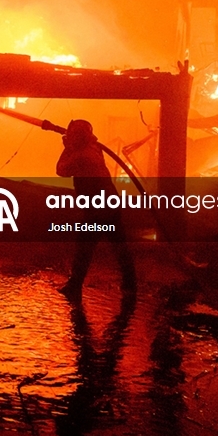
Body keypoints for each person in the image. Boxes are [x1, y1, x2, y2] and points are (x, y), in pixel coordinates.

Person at [55, 119, 136, 301]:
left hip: (98, 209)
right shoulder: (94, 148)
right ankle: (130, 285)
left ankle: (75, 286)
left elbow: (61, 170)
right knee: (119, 245)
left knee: (85, 246)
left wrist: (67, 147)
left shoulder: (81, 155)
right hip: (108, 204)